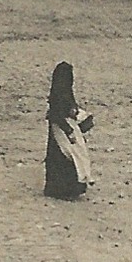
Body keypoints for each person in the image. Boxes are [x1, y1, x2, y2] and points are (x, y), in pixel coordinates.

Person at [43, 62, 95, 201]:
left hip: (62, 127)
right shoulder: (60, 95)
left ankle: (64, 188)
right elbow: (57, 114)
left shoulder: (60, 92)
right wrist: (69, 130)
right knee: (69, 157)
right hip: (60, 128)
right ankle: (64, 189)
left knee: (66, 158)